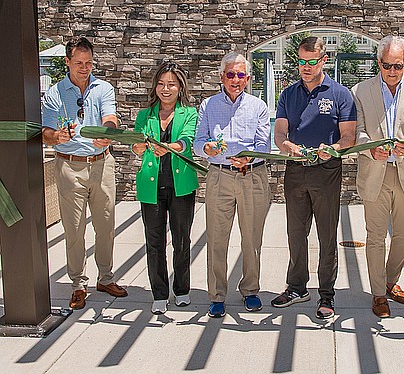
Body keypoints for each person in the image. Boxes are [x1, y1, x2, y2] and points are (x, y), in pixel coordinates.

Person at [272, 36, 356, 319]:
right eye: (301, 62)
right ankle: (297, 288)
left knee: (327, 236)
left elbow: (349, 137)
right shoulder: (288, 94)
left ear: (324, 60)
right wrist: (288, 147)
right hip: (295, 171)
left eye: (312, 62)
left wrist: (331, 149)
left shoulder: (340, 94)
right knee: (296, 233)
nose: (306, 67)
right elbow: (280, 133)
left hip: (327, 171)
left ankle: (327, 295)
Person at [42, 36, 127, 310]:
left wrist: (108, 133)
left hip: (101, 163)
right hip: (69, 165)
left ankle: (106, 277)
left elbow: (110, 117)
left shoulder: (103, 88)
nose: (84, 67)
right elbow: (44, 132)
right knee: (74, 229)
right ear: (67, 62)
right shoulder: (55, 93)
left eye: (88, 63)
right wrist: (56, 136)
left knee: (105, 225)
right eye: (78, 63)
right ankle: (78, 283)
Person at [351, 35, 404, 318]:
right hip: (375, 172)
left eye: (397, 66)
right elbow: (357, 132)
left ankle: (390, 281)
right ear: (378, 63)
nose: (392, 71)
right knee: (375, 237)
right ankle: (378, 294)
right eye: (386, 65)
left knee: (403, 236)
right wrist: (371, 149)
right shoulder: (360, 90)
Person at [194, 52, 271, 318]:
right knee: (216, 238)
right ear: (221, 77)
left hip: (252, 176)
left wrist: (250, 157)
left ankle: (250, 290)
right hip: (219, 175)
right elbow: (197, 142)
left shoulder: (258, 106)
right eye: (230, 74)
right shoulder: (208, 105)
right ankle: (216, 295)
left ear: (248, 78)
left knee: (252, 239)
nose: (235, 80)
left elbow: (264, 145)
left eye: (240, 75)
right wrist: (205, 148)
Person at [131, 62, 198, 315]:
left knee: (181, 240)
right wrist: (136, 148)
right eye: (161, 84)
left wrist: (171, 147)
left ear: (180, 86)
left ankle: (182, 290)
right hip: (152, 185)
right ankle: (159, 293)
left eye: (171, 84)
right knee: (154, 241)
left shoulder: (189, 113)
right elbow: (136, 143)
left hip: (181, 186)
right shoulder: (144, 115)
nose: (165, 88)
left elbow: (187, 141)